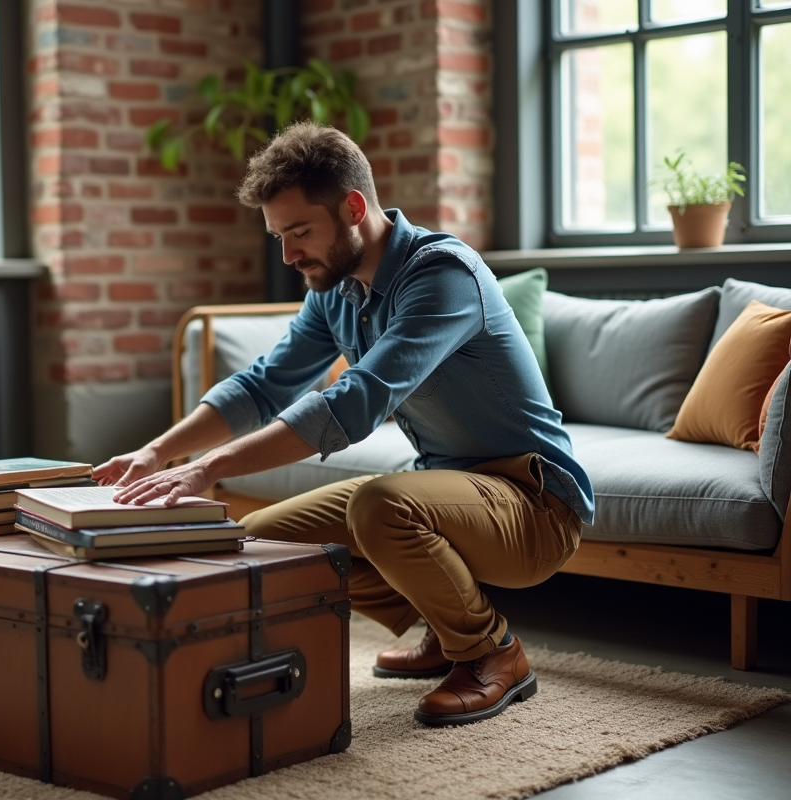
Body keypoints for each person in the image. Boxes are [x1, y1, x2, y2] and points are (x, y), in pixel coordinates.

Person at [93, 121, 593, 726]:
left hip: (533, 504)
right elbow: (263, 385)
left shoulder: (442, 275)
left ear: (353, 207)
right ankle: (448, 623)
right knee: (263, 537)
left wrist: (210, 468)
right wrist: (157, 453)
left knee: (382, 505)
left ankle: (493, 653)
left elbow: (354, 402)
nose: (288, 255)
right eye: (278, 235)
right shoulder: (334, 290)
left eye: (300, 231)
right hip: (449, 490)